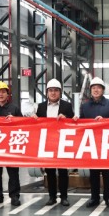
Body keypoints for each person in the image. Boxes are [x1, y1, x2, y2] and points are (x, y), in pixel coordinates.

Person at [75, 77, 109, 208]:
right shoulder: (85, 106)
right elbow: (82, 124)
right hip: (91, 144)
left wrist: (105, 121)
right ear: (90, 90)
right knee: (93, 173)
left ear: (103, 90)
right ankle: (94, 197)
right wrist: (76, 120)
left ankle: (108, 197)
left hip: (106, 143)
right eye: (93, 88)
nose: (96, 90)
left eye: (98, 88)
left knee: (106, 173)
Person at [34, 79, 74, 207]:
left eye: (56, 90)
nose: (53, 93)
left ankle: (64, 197)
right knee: (50, 171)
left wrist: (67, 119)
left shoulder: (67, 106)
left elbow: (74, 122)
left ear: (60, 92)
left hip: (62, 143)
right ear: (47, 92)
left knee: (62, 171)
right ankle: (52, 197)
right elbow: (37, 125)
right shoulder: (41, 107)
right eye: (50, 90)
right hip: (47, 144)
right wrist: (34, 119)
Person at [0, 81, 23, 208]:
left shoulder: (14, 109)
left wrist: (15, 120)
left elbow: (23, 126)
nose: (1, 94)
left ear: (7, 94)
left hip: (11, 146)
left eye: (3, 92)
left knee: (13, 173)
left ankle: (14, 196)